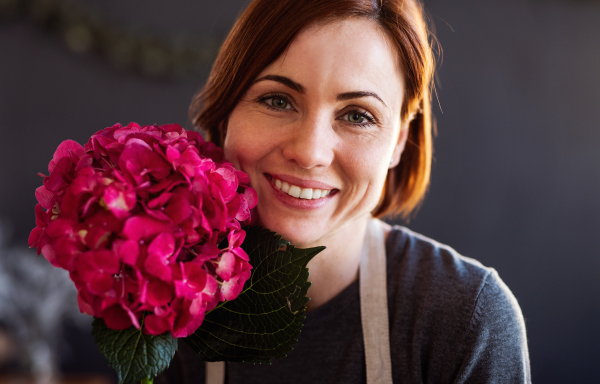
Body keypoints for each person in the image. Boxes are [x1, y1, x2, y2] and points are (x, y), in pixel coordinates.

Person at [158, 0, 531, 383]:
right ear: (227, 112)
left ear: (399, 143)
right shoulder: (165, 291)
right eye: (277, 100)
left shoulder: (467, 318)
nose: (309, 153)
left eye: (357, 115)